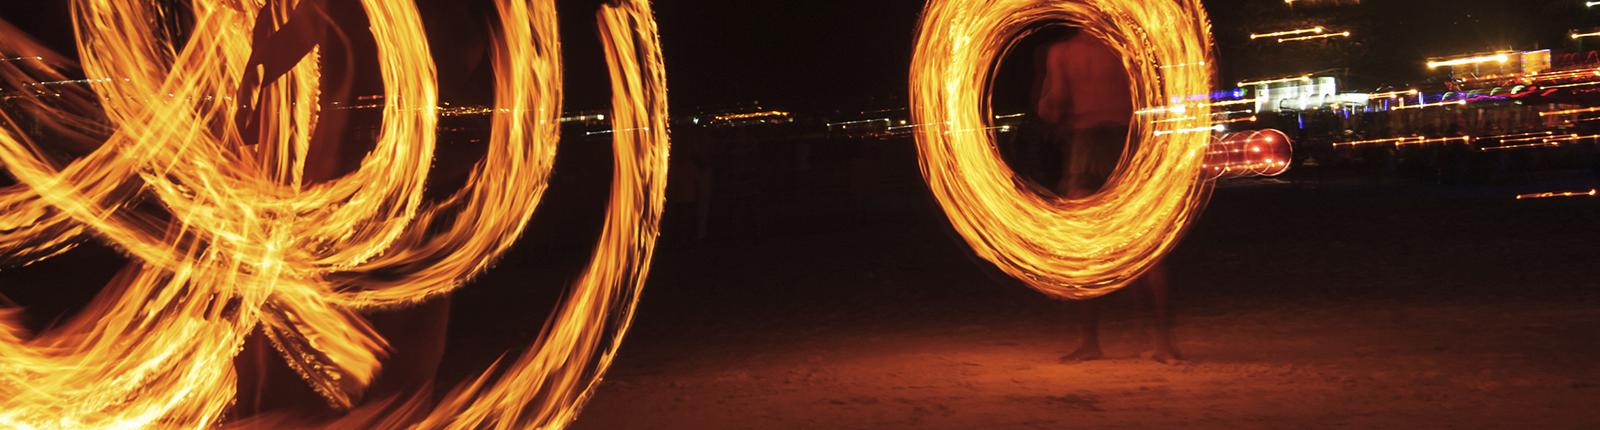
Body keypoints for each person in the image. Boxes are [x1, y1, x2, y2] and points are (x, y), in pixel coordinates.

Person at [1028, 29, 1182, 364]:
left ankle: (1089, 342)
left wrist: (1045, 86)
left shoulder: (1063, 51)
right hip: (1125, 147)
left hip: (1085, 147)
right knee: (1145, 249)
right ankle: (1163, 343)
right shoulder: (1127, 49)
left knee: (1086, 249)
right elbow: (1153, 97)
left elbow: (1051, 109)